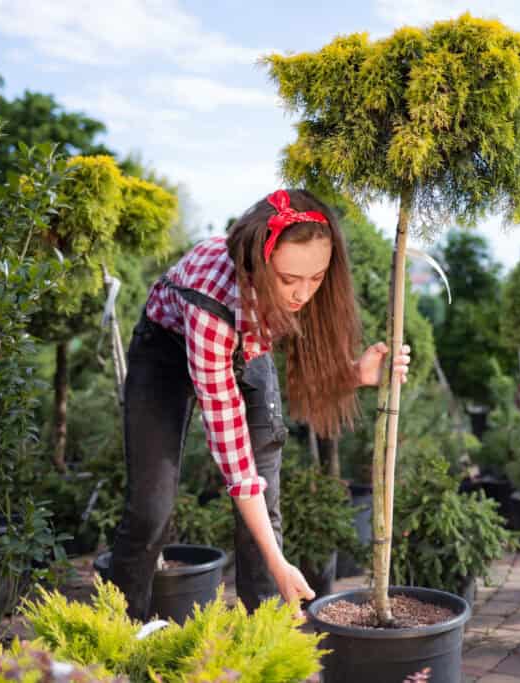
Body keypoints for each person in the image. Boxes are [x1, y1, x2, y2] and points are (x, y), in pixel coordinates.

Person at [110, 188, 410, 620]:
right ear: (258, 262)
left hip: (247, 348)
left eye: (317, 278)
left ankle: (263, 637)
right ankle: (119, 632)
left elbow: (302, 362)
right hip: (167, 352)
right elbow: (232, 454)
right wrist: (279, 559)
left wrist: (355, 374)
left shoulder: (303, 286)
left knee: (263, 500)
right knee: (151, 508)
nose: (303, 294)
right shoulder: (210, 301)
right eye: (289, 280)